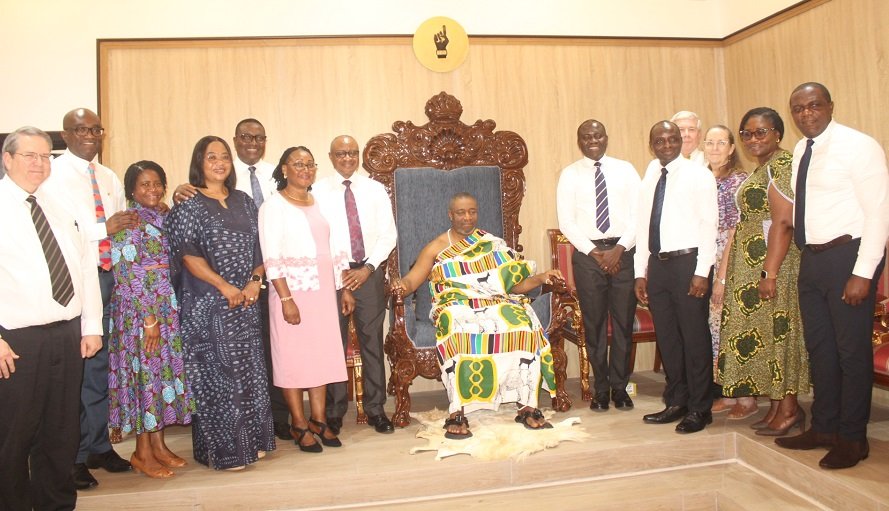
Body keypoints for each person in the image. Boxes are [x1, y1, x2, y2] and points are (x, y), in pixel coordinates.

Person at [776, 82, 889, 469]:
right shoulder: (801, 149)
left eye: (814, 105)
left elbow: (878, 213)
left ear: (830, 106)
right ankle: (824, 427)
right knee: (820, 350)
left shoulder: (859, 146)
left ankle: (853, 438)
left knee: (850, 352)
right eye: (798, 108)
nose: (806, 113)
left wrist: (863, 271)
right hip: (813, 259)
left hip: (849, 257)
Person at [391, 192, 561, 438]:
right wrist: (400, 286)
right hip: (455, 304)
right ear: (451, 215)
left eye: (472, 211)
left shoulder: (492, 244)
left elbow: (513, 285)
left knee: (524, 324)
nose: (467, 218)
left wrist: (541, 277)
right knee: (460, 328)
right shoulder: (437, 247)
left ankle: (526, 404)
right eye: (461, 212)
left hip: (494, 302)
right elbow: (411, 280)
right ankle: (457, 411)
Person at [0, 126, 103, 510]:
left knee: (60, 434)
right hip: (15, 342)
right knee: (12, 437)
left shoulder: (59, 206)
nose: (39, 163)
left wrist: (91, 326)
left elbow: (84, 269)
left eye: (46, 156)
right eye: (29, 155)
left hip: (66, 336)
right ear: (7, 159)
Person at [173, 119, 291, 440]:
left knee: (252, 371)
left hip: (247, 300)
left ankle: (255, 440)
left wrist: (255, 281)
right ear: (199, 162)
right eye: (211, 157)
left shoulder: (244, 200)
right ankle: (226, 449)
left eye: (224, 156)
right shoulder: (188, 203)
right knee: (218, 377)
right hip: (208, 304)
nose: (220, 162)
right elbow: (188, 254)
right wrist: (225, 287)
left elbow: (260, 245)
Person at [45, 108, 137, 489]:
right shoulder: (51, 176)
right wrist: (105, 227)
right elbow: (59, 231)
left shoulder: (109, 176)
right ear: (65, 136)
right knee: (77, 373)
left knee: (101, 369)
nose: (89, 135)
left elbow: (123, 226)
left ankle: (99, 444)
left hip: (110, 279)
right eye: (80, 129)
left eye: (95, 129)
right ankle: (75, 456)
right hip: (76, 284)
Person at [716, 108, 810, 434]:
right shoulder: (762, 169)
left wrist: (769, 273)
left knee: (779, 333)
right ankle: (776, 407)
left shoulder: (782, 166)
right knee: (768, 335)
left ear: (778, 134)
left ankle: (790, 408)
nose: (753, 139)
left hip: (775, 265)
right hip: (753, 265)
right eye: (747, 133)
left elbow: (784, 222)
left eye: (761, 132)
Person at [259, 146, 354, 452]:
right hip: (292, 293)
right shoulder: (273, 207)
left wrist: (345, 287)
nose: (305, 169)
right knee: (292, 358)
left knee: (322, 357)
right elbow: (271, 256)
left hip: (324, 293)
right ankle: (298, 423)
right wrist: (286, 298)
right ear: (284, 169)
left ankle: (319, 419)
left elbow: (335, 246)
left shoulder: (321, 202)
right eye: (297, 164)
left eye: (309, 164)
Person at [107, 161, 195, 479]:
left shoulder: (163, 215)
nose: (152, 190)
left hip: (165, 307)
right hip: (140, 312)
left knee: (160, 376)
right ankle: (141, 452)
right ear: (132, 189)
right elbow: (127, 274)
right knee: (145, 377)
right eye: (145, 184)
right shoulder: (128, 221)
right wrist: (148, 319)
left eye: (157, 183)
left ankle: (158, 446)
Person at [635, 121, 718, 434]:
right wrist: (640, 272)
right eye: (660, 139)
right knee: (668, 338)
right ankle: (676, 401)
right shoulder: (651, 175)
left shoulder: (699, 174)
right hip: (658, 266)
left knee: (694, 338)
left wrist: (702, 271)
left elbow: (708, 224)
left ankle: (700, 408)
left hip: (688, 264)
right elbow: (644, 225)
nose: (666, 144)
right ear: (652, 143)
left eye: (672, 138)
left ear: (680, 141)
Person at [315, 135, 397, 435]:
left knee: (372, 342)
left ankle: (376, 409)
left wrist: (368, 269)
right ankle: (335, 410)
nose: (347, 158)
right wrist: (341, 275)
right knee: (333, 343)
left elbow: (389, 234)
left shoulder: (374, 189)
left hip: (369, 273)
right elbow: (319, 236)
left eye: (352, 153)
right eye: (341, 153)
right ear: (331, 156)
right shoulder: (319, 191)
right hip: (332, 275)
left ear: (359, 155)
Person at [556, 119, 640, 412]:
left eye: (598, 135)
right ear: (580, 141)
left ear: (606, 137)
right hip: (588, 255)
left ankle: (620, 388)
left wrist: (618, 250)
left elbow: (638, 214)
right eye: (586, 136)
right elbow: (566, 221)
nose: (593, 140)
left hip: (623, 252)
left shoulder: (626, 169)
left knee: (622, 325)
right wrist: (596, 253)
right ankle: (601, 389)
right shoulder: (569, 175)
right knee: (593, 326)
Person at [702, 125, 747, 415]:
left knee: (733, 327)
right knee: (716, 330)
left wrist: (721, 277)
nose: (715, 148)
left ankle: (746, 398)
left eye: (721, 143)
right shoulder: (703, 177)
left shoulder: (736, 181)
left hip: (728, 261)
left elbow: (734, 231)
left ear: (731, 148)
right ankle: (728, 394)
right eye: (710, 143)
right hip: (706, 257)